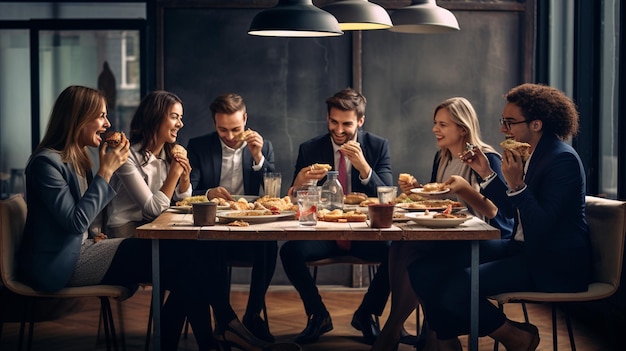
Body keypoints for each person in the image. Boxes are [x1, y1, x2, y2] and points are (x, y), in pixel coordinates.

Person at [17, 85, 209, 351]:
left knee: (188, 266)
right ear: (78, 118)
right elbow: (75, 222)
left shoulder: (75, 159)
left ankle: (196, 342)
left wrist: (95, 229)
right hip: (60, 264)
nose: (107, 123)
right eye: (101, 116)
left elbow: (84, 215)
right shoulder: (45, 164)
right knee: (185, 263)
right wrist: (106, 171)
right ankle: (214, 338)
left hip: (84, 249)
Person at [407, 83, 591, 351]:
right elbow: (508, 211)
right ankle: (447, 343)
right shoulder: (527, 153)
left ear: (536, 124)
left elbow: (542, 225)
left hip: (553, 261)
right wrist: (486, 172)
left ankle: (515, 336)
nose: (504, 129)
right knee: (424, 269)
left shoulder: (562, 160)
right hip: (520, 248)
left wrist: (517, 186)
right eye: (503, 121)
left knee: (458, 287)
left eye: (510, 122)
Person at [371, 97, 514, 351]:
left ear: (462, 128)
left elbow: (497, 215)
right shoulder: (442, 157)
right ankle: (426, 335)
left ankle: (399, 331)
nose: (435, 129)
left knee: (415, 256)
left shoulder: (487, 158)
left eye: (442, 124)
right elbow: (440, 202)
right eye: (435, 123)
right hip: (449, 236)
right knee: (400, 247)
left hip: (482, 242)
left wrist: (466, 190)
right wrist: (417, 190)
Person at [280, 87, 393, 345]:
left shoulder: (377, 146)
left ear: (360, 121)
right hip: (324, 232)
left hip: (365, 234)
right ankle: (318, 315)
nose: (339, 130)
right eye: (333, 122)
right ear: (327, 118)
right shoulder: (310, 149)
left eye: (347, 124)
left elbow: (387, 198)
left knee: (397, 252)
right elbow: (294, 201)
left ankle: (367, 314)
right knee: (289, 252)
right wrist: (298, 182)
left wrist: (364, 166)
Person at [187, 92, 278, 342]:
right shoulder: (198, 146)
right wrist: (208, 192)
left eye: (235, 129)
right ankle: (224, 320)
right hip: (213, 228)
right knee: (208, 247)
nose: (228, 136)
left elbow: (273, 191)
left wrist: (259, 157)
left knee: (270, 246)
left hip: (248, 228)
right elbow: (185, 193)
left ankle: (251, 316)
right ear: (214, 124)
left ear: (246, 120)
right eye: (222, 130)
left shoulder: (263, 145)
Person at [105, 90, 192, 237]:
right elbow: (153, 209)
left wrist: (184, 179)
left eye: (180, 118)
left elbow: (183, 201)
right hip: (126, 230)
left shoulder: (168, 154)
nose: (180, 124)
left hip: (158, 224)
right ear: (155, 118)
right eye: (174, 117)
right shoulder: (126, 156)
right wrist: (174, 173)